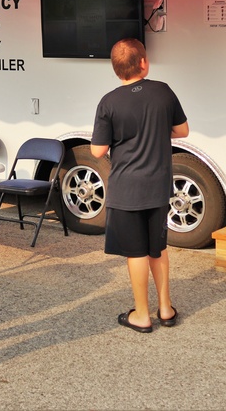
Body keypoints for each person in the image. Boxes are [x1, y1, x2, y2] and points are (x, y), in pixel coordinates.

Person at [91, 38, 189, 333]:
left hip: (127, 188)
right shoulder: (163, 91)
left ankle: (142, 315)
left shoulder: (109, 102)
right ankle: (166, 309)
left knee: (136, 252)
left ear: (116, 70)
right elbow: (182, 130)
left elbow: (97, 151)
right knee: (157, 249)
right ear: (144, 63)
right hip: (158, 185)